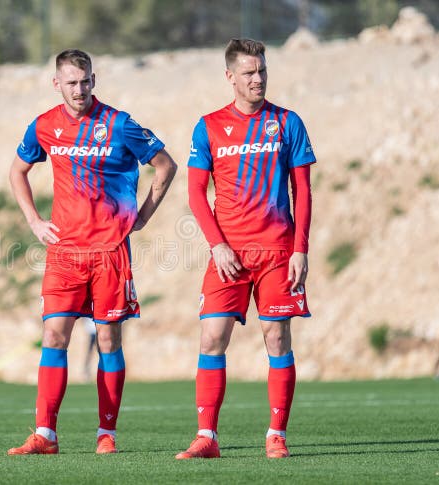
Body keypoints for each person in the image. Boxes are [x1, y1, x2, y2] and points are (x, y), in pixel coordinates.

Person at [7, 49, 177, 455]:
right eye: (71, 83)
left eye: (85, 81)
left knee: (108, 339)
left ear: (94, 80)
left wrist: (144, 215)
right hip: (64, 251)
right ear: (57, 84)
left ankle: (107, 434)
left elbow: (166, 165)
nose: (79, 89)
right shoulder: (44, 126)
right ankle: (45, 435)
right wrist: (33, 221)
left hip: (110, 251)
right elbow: (17, 171)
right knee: (54, 334)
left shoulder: (119, 124)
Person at [176, 38, 315, 460]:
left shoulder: (287, 122)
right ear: (230, 77)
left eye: (262, 71)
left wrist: (301, 249)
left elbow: (303, 191)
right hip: (228, 255)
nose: (258, 79)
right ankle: (207, 438)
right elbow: (197, 193)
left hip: (277, 252)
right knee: (212, 337)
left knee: (276, 336)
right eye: (250, 73)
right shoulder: (209, 126)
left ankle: (276, 434)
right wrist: (217, 245)